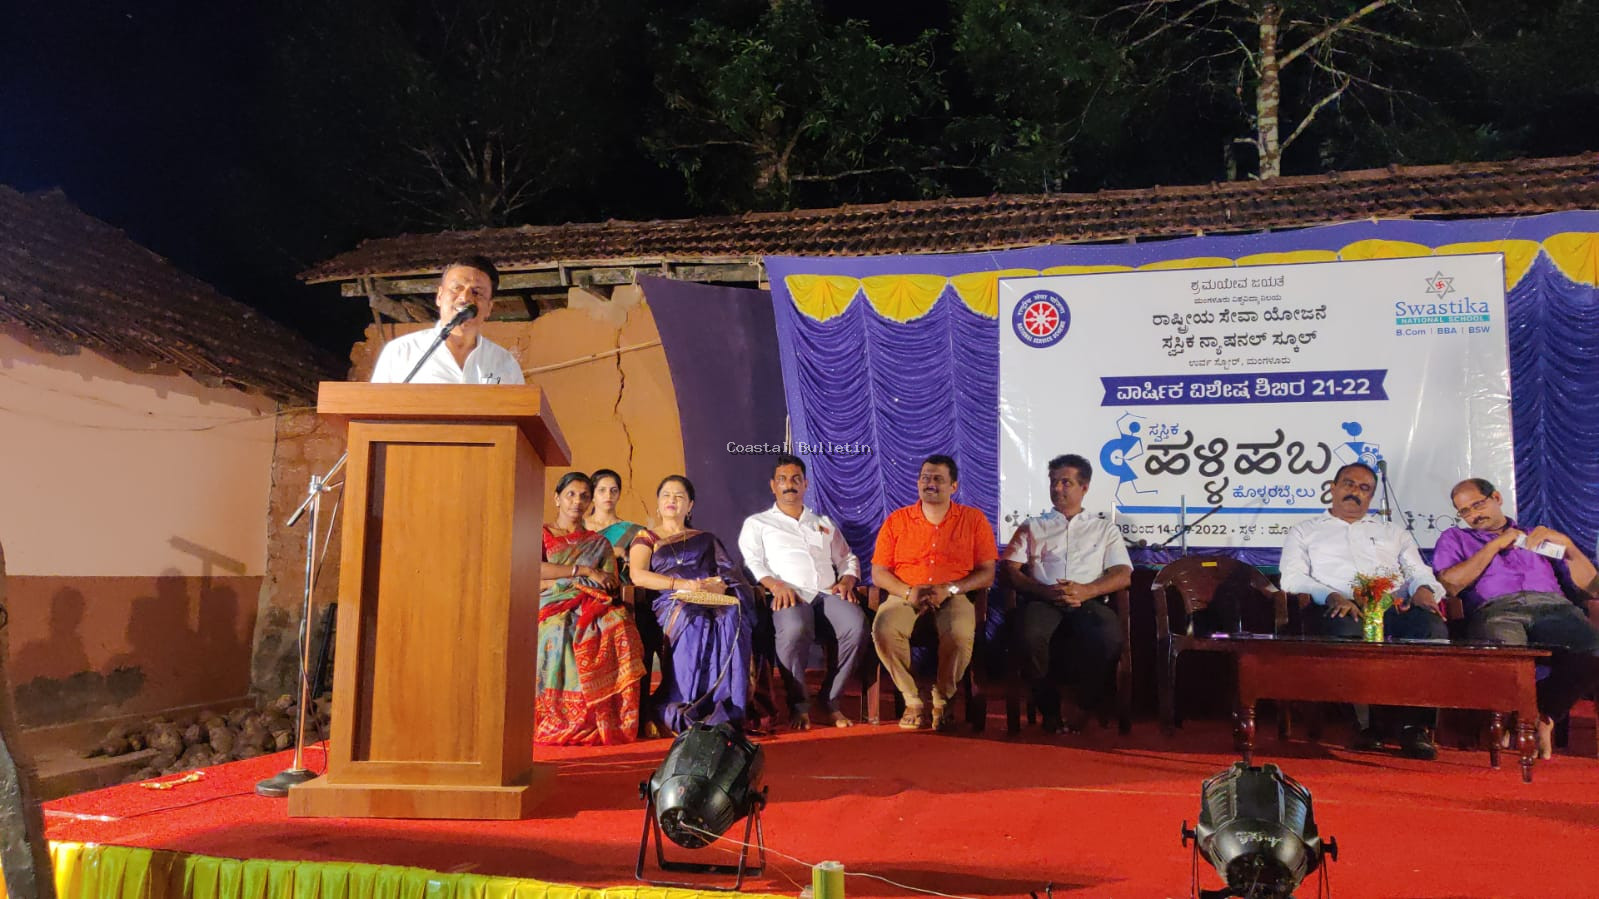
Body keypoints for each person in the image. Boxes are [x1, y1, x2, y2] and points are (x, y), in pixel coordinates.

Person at [1279, 462, 1449, 759]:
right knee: (1346, 628)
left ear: (1370, 497)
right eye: (1348, 484)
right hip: (1340, 606)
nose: (1354, 492)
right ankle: (1365, 726)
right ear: (1332, 488)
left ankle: (1414, 728)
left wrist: (1424, 588)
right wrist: (1331, 596)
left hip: (1392, 606)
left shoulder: (1392, 532)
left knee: (1430, 628)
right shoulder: (1304, 531)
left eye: (1364, 488)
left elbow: (1418, 571)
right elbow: (1292, 578)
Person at [1432, 477, 1599, 759]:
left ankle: (1544, 715)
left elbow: (1592, 587)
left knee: (1594, 648)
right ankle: (1522, 722)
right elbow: (1449, 584)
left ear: (1496, 498)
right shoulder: (1456, 538)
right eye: (1465, 512)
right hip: (1497, 610)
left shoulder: (1536, 535)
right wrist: (1495, 545)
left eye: (1478, 505)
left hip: (1553, 608)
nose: (1474, 515)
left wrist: (1569, 547)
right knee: (1509, 657)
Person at [1002, 454, 1132, 734]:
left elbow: (1123, 573)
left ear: (1084, 488)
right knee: (1027, 635)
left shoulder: (1103, 528)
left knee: (1109, 637)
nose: (1057, 488)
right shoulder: (1033, 525)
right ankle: (1049, 709)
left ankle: (1084, 705)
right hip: (1043, 600)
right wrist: (1043, 591)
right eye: (1053, 482)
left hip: (1087, 600)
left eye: (1065, 483)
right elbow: (1009, 570)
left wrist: (1087, 590)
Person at [738, 453, 866, 730]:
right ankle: (799, 705)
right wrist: (776, 585)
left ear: (806, 484)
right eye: (783, 479)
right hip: (788, 595)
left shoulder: (823, 523)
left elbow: (847, 558)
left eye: (796, 479)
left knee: (855, 625)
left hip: (825, 594)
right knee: (795, 627)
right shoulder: (758, 524)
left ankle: (829, 701)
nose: (789, 485)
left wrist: (847, 580)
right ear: (773, 485)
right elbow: (752, 562)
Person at [871, 454, 997, 732]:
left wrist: (950, 588)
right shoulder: (897, 520)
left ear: (954, 486)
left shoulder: (973, 520)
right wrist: (908, 592)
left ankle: (942, 698)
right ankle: (912, 698)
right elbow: (878, 572)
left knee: (960, 633)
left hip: (954, 594)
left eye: (938, 479)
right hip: (905, 593)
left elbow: (987, 573)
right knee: (884, 628)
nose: (930, 484)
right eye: (925, 478)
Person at [629, 475, 759, 733]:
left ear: (690, 506)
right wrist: (682, 585)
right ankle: (685, 706)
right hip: (670, 601)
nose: (672, 500)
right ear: (658, 503)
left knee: (732, 615)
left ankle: (726, 706)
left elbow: (728, 573)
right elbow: (638, 575)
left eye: (679, 496)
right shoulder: (646, 537)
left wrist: (719, 584)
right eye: (666, 495)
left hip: (709, 598)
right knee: (693, 618)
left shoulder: (706, 539)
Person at [534, 472, 644, 745]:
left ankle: (604, 717)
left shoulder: (598, 543)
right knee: (559, 630)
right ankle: (556, 716)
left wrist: (578, 583)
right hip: (549, 602)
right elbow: (531, 569)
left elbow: (610, 583)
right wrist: (582, 572)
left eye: (584, 496)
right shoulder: (541, 534)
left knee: (619, 625)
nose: (577, 501)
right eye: (570, 494)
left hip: (589, 602)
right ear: (557, 498)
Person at [369, 256, 525, 384]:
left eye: (477, 292)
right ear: (439, 296)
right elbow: (377, 409)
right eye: (456, 288)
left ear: (489, 308)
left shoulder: (505, 364)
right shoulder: (401, 352)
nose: (465, 298)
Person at [585, 468, 647, 581]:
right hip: (579, 586)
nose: (608, 495)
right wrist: (612, 553)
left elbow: (639, 567)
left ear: (619, 495)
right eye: (602, 490)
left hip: (619, 587)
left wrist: (626, 556)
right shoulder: (579, 526)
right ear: (592, 495)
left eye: (614, 490)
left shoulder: (632, 530)